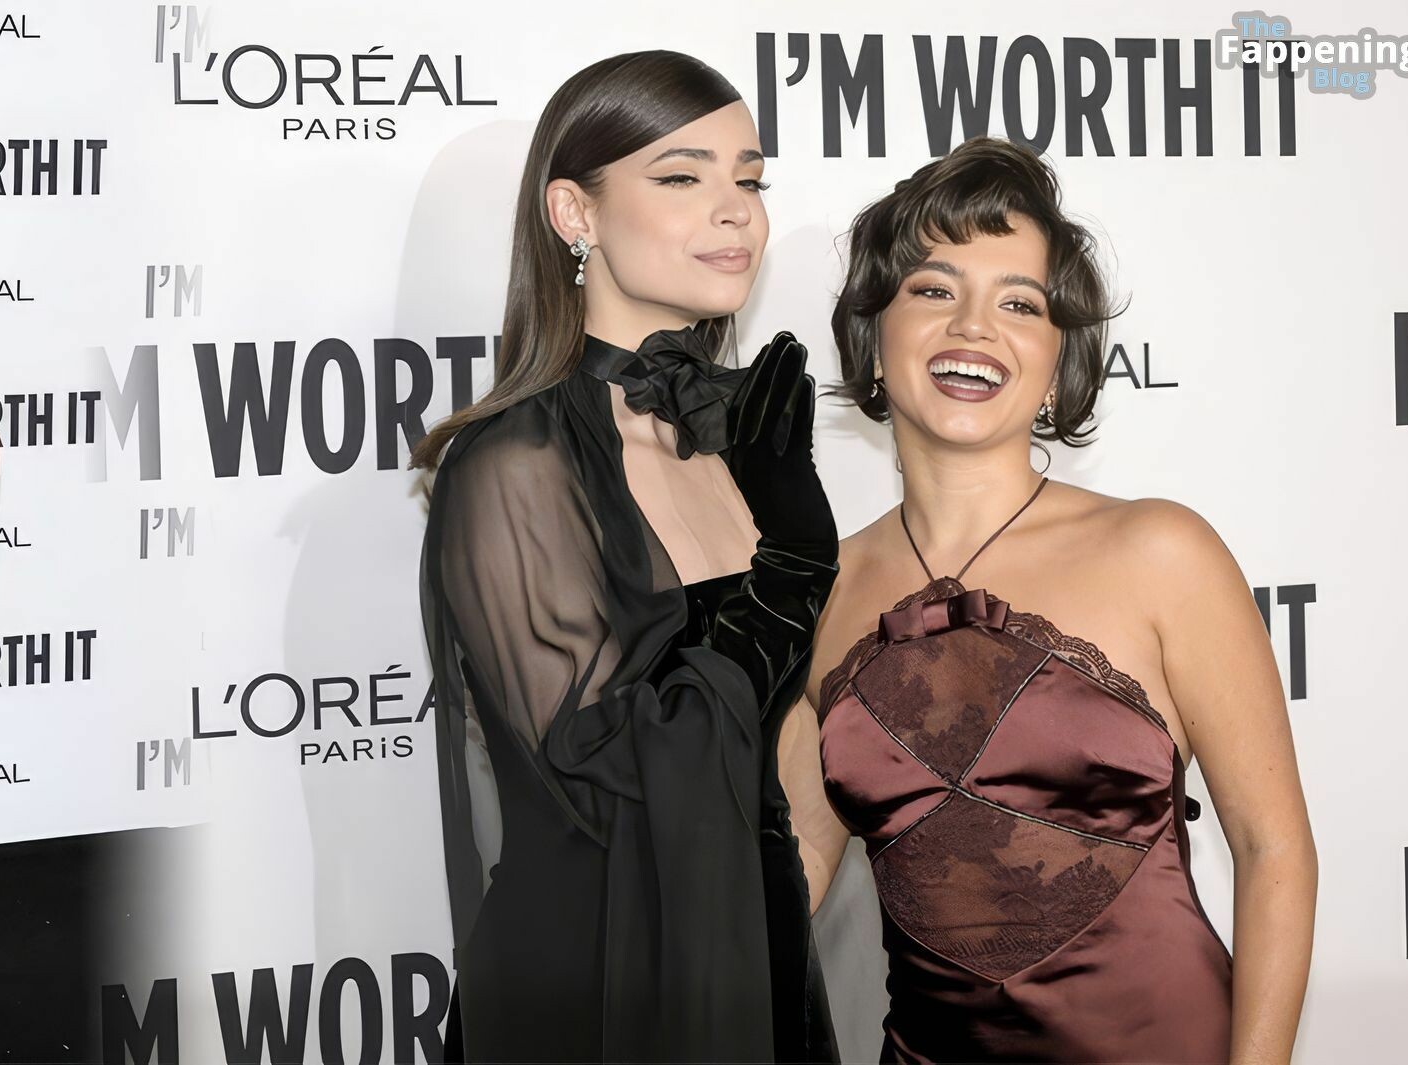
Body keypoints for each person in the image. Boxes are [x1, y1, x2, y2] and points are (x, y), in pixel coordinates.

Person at [790, 136, 1316, 1062]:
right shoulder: (820, 590)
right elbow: (795, 861)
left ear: (1056, 361)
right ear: (872, 337)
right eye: (934, 289)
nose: (974, 327)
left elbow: (1273, 850)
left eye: (1019, 303)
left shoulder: (1162, 551)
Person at [412, 50, 839, 1064]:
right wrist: (788, 574)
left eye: (750, 180)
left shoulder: (736, 438)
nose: (735, 211)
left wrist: (788, 889)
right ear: (575, 213)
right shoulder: (513, 464)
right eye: (682, 177)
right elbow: (606, 775)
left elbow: (783, 740)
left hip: (750, 961)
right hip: (598, 990)